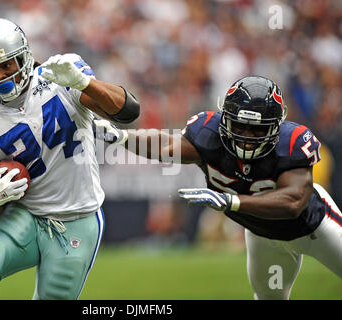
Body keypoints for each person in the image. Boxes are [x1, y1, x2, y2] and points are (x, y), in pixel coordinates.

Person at [95, 75, 342, 299]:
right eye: (239, 126)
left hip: (313, 228)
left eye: (257, 130)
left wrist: (232, 202)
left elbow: (293, 203)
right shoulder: (208, 134)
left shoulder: (292, 142)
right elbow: (166, 146)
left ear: (275, 127)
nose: (246, 136)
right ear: (225, 119)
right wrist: (123, 137)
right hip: (262, 235)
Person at [0, 18, 139, 300]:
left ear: (24, 57)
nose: (1, 75)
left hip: (77, 218)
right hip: (25, 215)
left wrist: (85, 83)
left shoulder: (60, 75)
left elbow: (129, 111)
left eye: (7, 64)